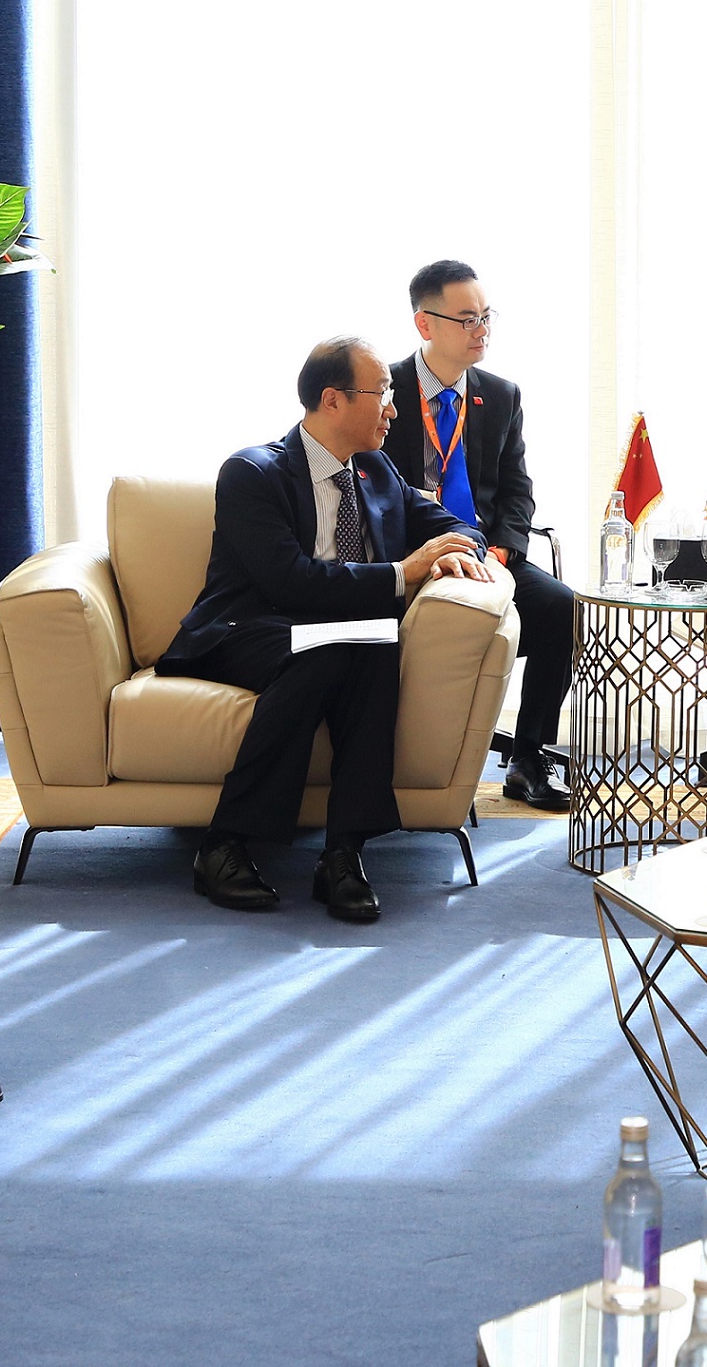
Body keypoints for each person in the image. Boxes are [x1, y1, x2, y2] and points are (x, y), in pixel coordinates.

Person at [158, 336, 492, 921]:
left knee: (369, 645)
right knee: (335, 649)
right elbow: (288, 582)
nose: (394, 409)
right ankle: (227, 843)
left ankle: (342, 853)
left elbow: (456, 527)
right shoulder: (252, 472)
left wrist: (459, 551)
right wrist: (403, 572)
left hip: (331, 637)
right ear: (333, 400)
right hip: (246, 628)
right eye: (382, 393)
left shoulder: (376, 469)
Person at [383, 260, 572, 810]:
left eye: (487, 316)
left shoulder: (501, 395)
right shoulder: (383, 389)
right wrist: (422, 556)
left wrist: (503, 549)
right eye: (467, 319)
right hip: (411, 556)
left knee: (561, 608)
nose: (482, 330)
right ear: (425, 323)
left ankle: (528, 758)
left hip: (487, 554)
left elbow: (517, 490)